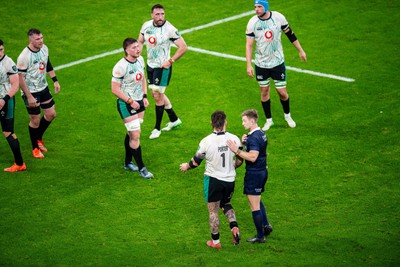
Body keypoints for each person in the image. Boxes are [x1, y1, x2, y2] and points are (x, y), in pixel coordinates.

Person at [180, 110, 241, 249]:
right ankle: (234, 227)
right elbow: (240, 159)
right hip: (230, 180)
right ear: (225, 122)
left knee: (213, 211)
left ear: (211, 123)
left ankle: (215, 242)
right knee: (226, 204)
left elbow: (195, 162)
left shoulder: (206, 141)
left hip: (213, 180)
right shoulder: (235, 139)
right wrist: (233, 167)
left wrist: (186, 167)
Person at [245, 0, 307, 131]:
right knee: (264, 92)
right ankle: (269, 121)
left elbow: (291, 35)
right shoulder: (252, 23)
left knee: (282, 92)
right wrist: (249, 65)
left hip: (277, 62)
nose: (256, 9)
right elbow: (249, 45)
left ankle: (288, 116)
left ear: (266, 7)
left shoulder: (279, 18)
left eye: (259, 7)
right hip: (261, 64)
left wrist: (300, 50)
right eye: (255, 7)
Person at [138, 3, 188, 139]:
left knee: (157, 95)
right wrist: (137, 55)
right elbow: (140, 41)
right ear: (152, 15)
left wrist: (170, 61)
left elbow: (183, 47)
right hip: (150, 66)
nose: (160, 17)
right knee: (156, 93)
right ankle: (174, 119)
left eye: (162, 14)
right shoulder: (146, 26)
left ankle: (157, 128)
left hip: (163, 67)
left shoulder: (170, 29)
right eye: (157, 14)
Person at [227, 109, 272, 243]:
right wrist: (246, 142)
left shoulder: (254, 137)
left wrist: (237, 150)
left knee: (254, 206)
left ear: (252, 121)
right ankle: (266, 225)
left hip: (254, 174)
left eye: (244, 121)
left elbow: (252, 157)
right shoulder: (261, 133)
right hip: (262, 171)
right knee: (257, 199)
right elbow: (256, 147)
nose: (242, 123)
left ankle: (260, 236)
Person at [112, 38, 154, 179]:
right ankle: (142, 168)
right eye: (134, 48)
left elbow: (142, 77)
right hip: (126, 103)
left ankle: (127, 162)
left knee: (132, 132)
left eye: (138, 46)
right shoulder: (120, 67)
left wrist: (144, 96)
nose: (138, 49)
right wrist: (130, 101)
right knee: (135, 134)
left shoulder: (140, 59)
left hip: (139, 101)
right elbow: (114, 89)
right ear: (126, 50)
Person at [17, 28, 60, 158]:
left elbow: (48, 64)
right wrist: (29, 96)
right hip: (31, 92)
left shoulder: (44, 48)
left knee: (51, 114)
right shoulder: (24, 57)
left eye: (41, 38)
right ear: (30, 40)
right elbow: (20, 78)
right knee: (35, 120)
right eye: (37, 39)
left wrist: (55, 81)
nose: (41, 41)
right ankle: (35, 148)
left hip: (43, 87)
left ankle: (38, 138)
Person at [0, 40, 26, 172]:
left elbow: (15, 84)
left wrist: (4, 99)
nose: (0, 53)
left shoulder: (8, 63)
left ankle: (20, 163)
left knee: (8, 132)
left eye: (1, 50)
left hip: (6, 101)